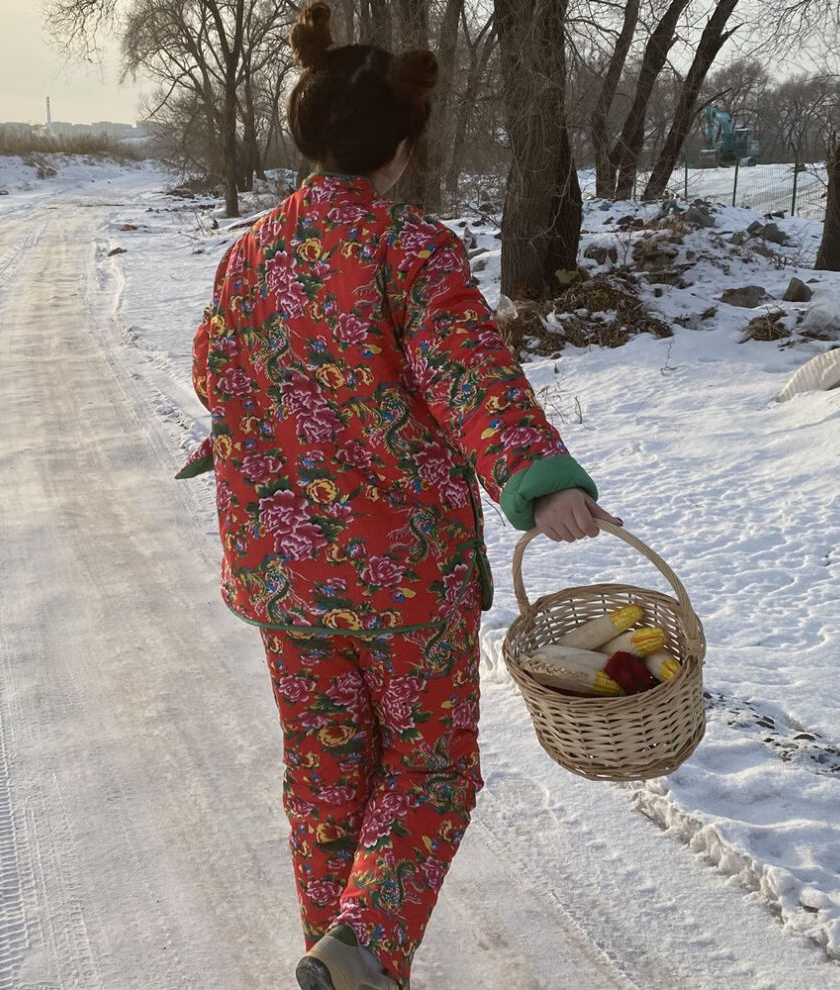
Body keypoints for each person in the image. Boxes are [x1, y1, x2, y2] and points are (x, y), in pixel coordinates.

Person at [179, 4, 619, 987]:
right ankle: (369, 947)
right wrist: (537, 481)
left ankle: (336, 960)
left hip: (286, 581)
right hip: (402, 585)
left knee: (326, 786)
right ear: (402, 146)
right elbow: (471, 373)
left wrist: (268, 424)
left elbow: (216, 375)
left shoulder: (249, 254)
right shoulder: (409, 248)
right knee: (430, 770)